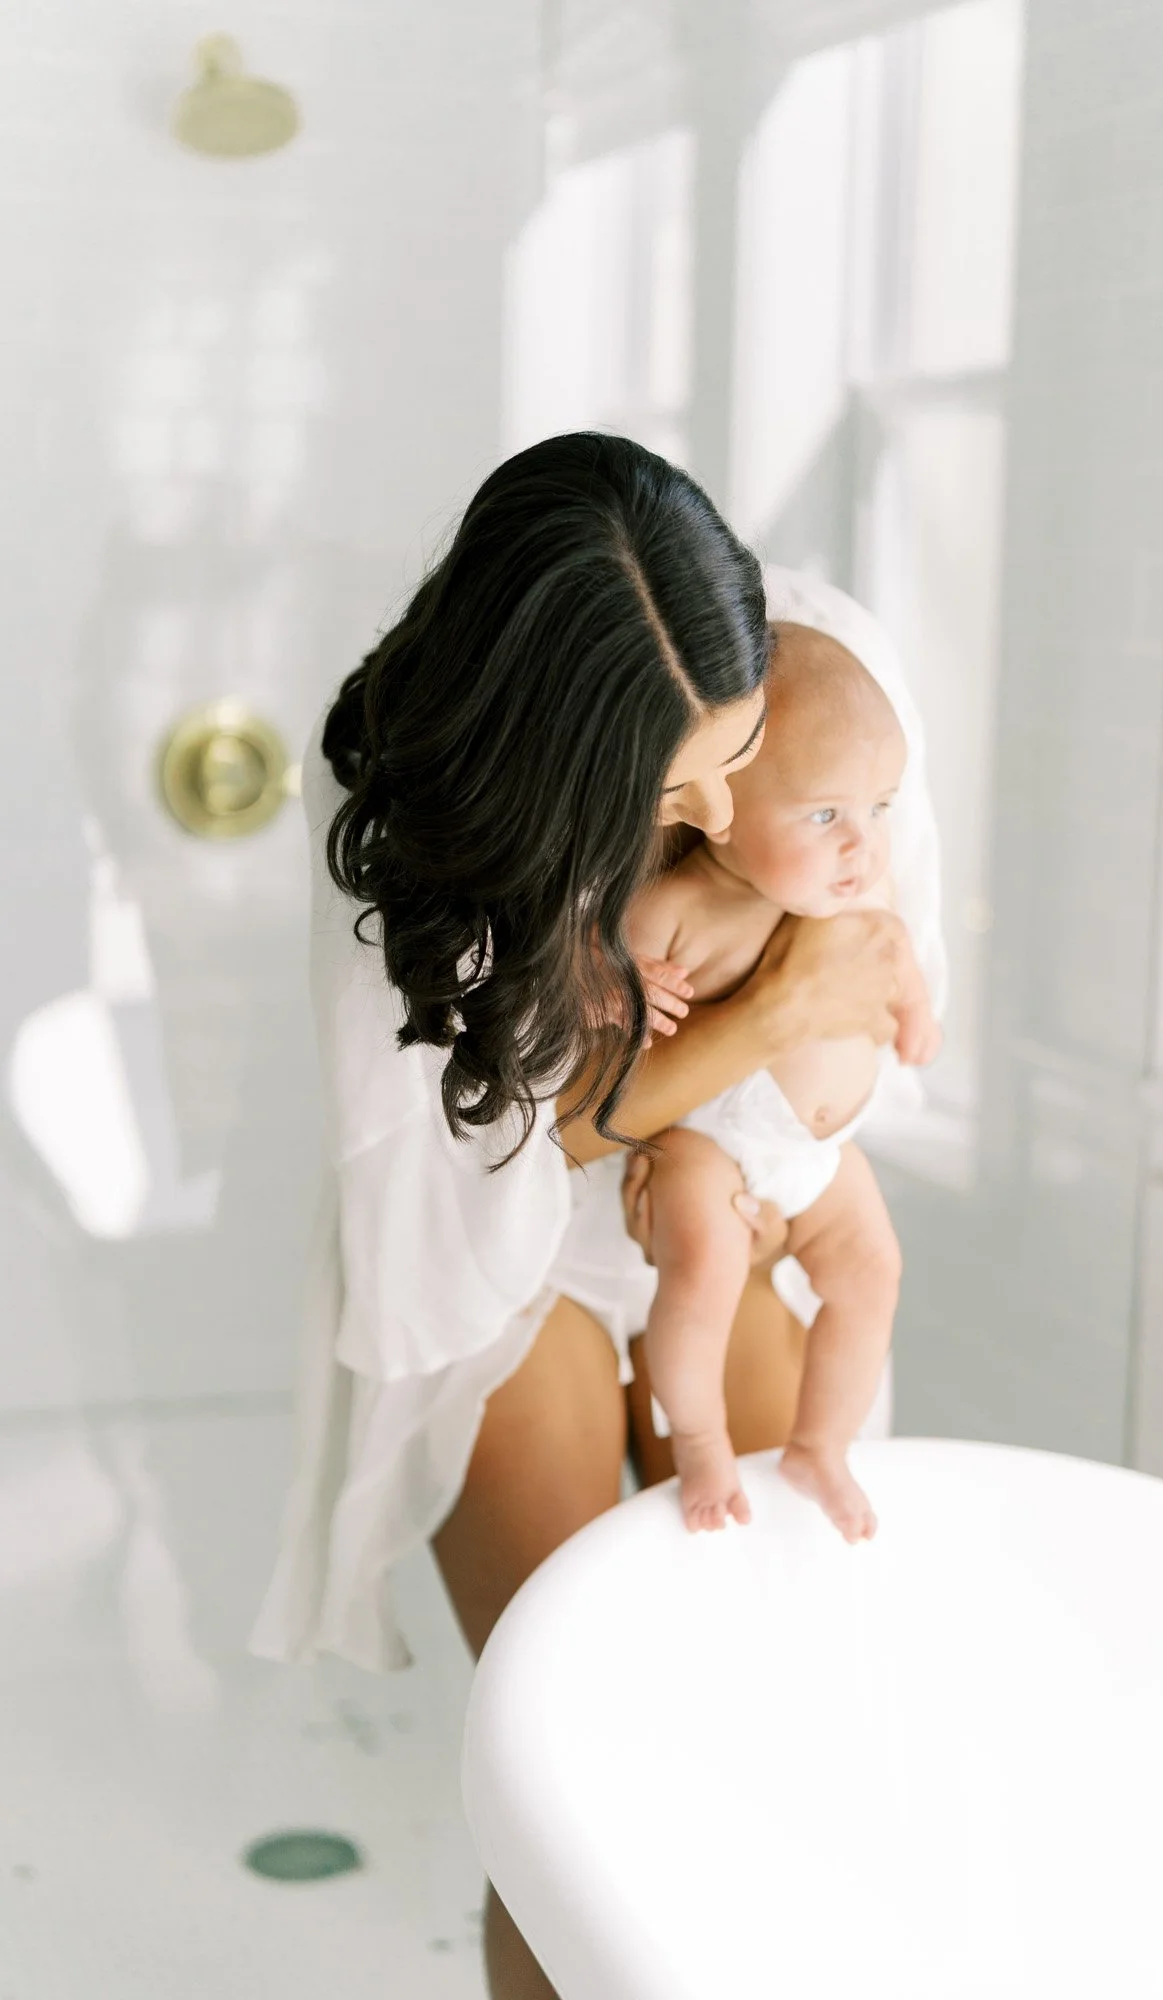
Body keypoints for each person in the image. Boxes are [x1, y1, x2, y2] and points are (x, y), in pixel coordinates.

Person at [248, 433, 941, 2000]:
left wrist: (736, 1063)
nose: (721, 810)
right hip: (501, 1250)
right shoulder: (406, 811)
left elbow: (859, 1043)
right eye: (674, 790)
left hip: (734, 1198)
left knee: (772, 1731)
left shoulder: (829, 683)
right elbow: (509, 1149)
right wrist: (765, 1011)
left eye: (740, 758)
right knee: (572, 1789)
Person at [627, 622, 942, 1542]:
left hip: (816, 1153)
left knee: (872, 1274)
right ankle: (699, 1441)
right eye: (825, 815)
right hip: (712, 1142)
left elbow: (892, 948)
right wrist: (622, 989)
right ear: (719, 802)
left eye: (878, 808)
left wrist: (914, 1010)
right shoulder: (679, 906)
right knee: (703, 1278)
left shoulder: (854, 892)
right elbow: (593, 990)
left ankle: (821, 1445)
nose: (862, 845)